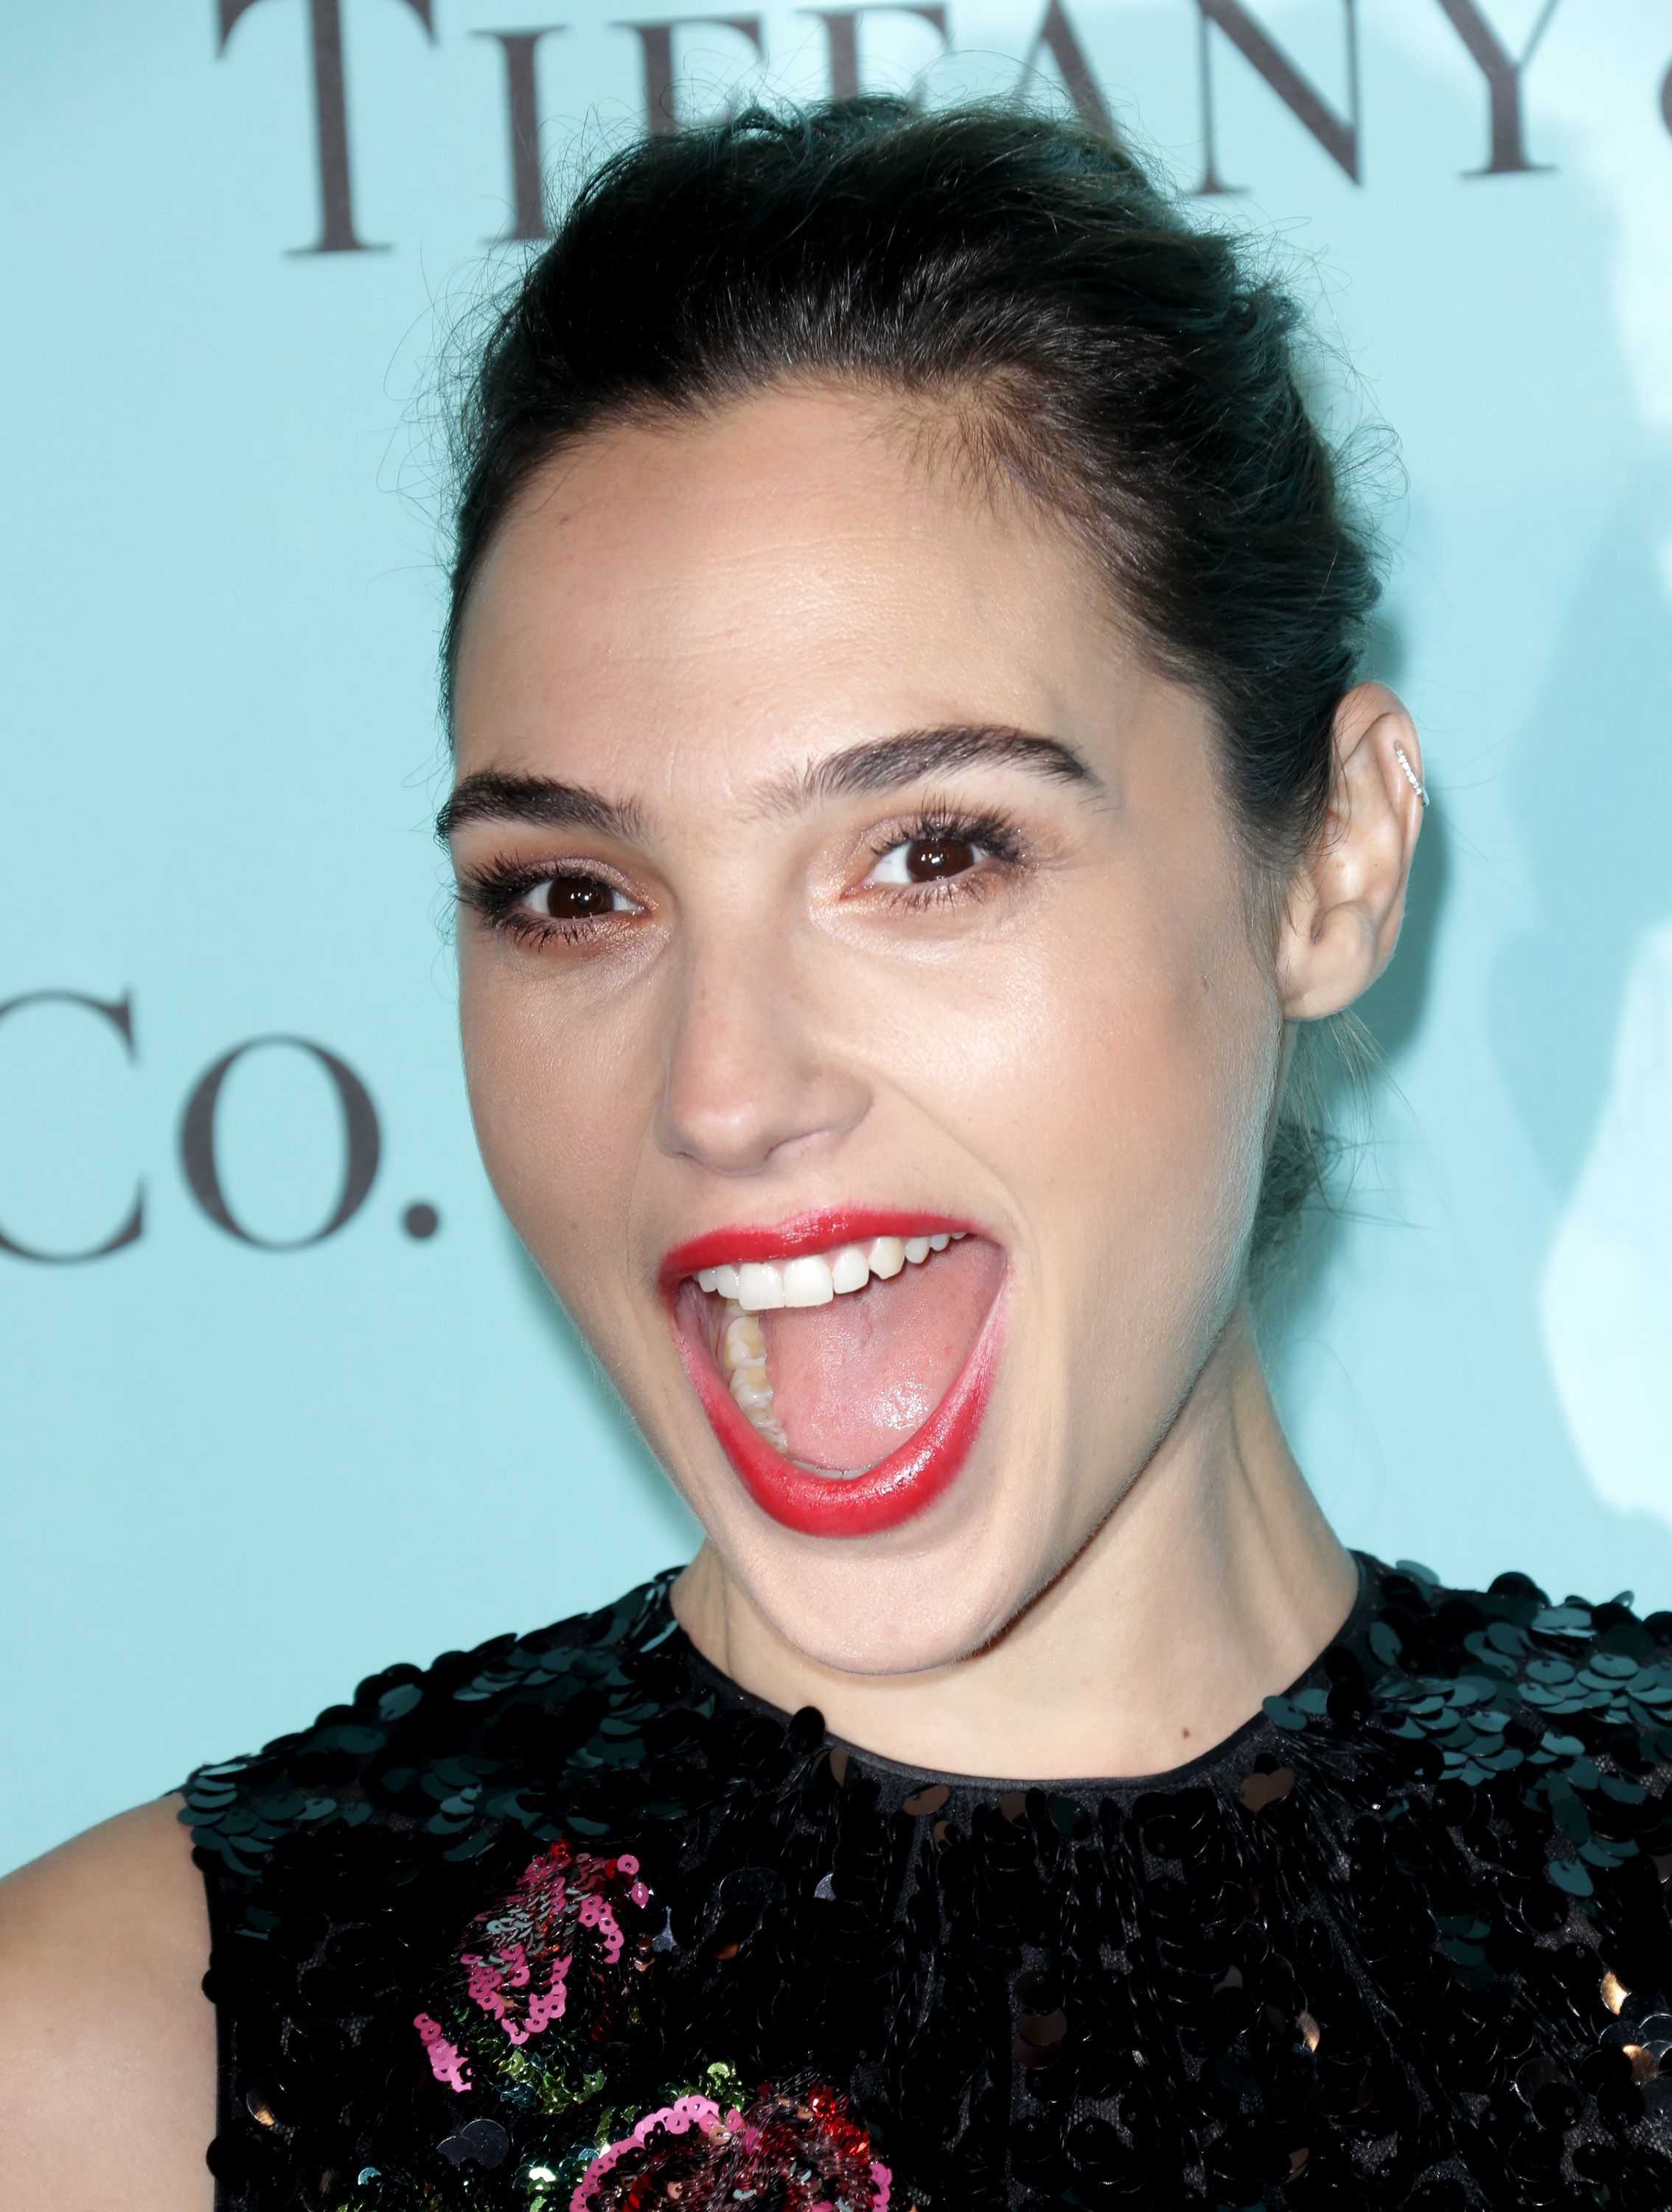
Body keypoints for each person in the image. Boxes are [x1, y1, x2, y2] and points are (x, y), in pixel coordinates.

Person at [4, 94, 1671, 2212]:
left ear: (1331, 862)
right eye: (572, 895)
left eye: (934, 851)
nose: (721, 1089)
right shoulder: (112, 2077)